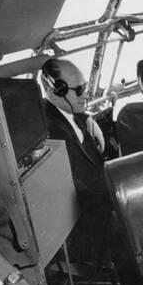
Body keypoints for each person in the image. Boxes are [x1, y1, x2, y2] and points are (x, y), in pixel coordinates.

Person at [40, 58, 112, 269]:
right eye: (79, 90)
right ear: (55, 91)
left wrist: (88, 118)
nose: (86, 95)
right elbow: (75, 189)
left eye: (86, 87)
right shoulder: (50, 132)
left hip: (98, 204)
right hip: (84, 228)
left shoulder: (73, 114)